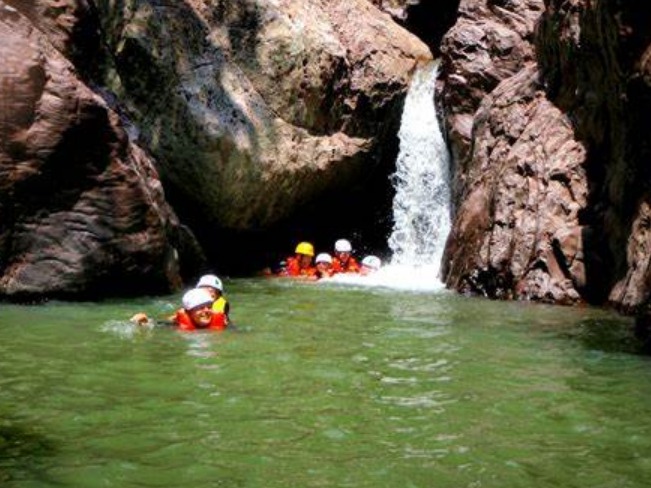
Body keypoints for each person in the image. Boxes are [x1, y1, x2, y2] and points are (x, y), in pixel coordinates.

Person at [130, 288, 227, 331]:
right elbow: (152, 325)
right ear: (188, 312)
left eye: (209, 307)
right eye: (200, 308)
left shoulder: (224, 325)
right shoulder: (175, 325)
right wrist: (143, 321)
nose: (206, 311)